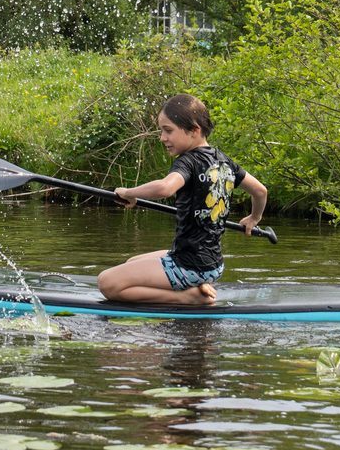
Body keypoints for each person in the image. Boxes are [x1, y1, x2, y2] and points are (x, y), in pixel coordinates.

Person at [96, 93, 266, 306]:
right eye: (161, 131)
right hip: (213, 264)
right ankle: (197, 285)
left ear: (194, 130)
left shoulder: (188, 161)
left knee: (107, 283)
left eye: (168, 131)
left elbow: (165, 188)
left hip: (189, 265)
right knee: (132, 263)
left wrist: (130, 192)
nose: (162, 138)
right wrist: (254, 218)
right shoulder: (224, 161)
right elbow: (260, 191)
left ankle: (187, 297)